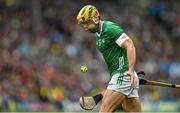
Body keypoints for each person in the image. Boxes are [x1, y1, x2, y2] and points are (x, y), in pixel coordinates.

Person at [76, 5, 141, 112]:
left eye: (87, 22)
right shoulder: (98, 34)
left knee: (105, 111)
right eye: (83, 24)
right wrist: (132, 74)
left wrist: (130, 69)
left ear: (95, 19)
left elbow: (130, 45)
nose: (85, 26)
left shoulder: (110, 28)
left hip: (122, 73)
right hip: (123, 75)